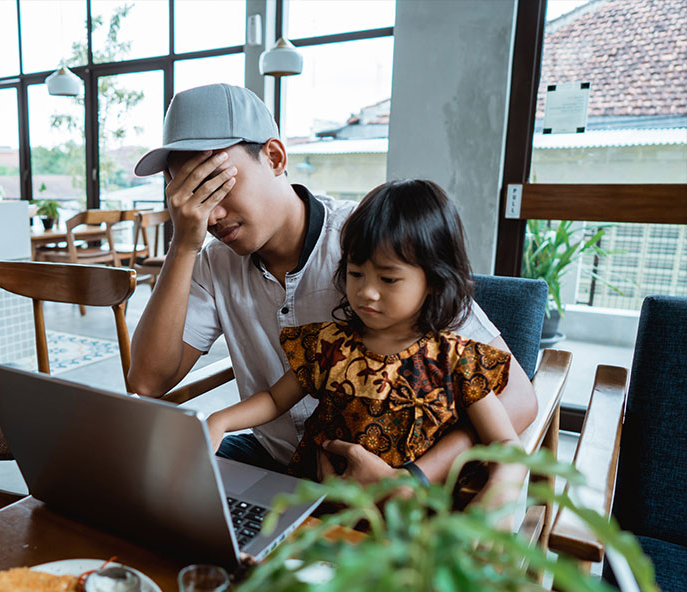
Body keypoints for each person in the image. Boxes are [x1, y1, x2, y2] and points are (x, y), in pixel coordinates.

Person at [127, 83, 537, 489]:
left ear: (273, 157)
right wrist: (183, 244)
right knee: (149, 491)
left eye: (217, 185)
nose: (211, 215)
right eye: (191, 195)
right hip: (275, 460)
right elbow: (147, 382)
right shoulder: (211, 261)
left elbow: (520, 399)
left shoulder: (372, 245)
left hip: (391, 477)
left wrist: (411, 478)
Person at [205, 179, 520, 489]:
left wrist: (500, 493)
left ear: (435, 281)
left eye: (388, 279)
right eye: (356, 274)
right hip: (321, 498)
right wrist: (220, 421)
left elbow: (505, 442)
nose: (367, 292)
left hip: (409, 515)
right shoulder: (329, 344)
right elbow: (275, 400)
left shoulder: (455, 360)